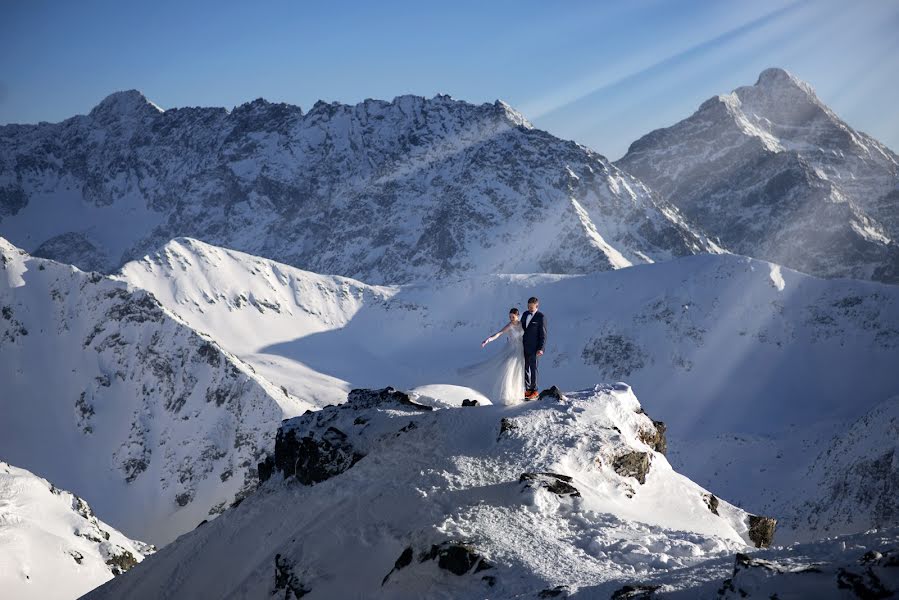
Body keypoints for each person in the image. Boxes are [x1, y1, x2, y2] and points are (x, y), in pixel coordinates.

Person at [457, 308, 525, 405]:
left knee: (518, 373)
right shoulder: (509, 325)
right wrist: (488, 340)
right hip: (512, 349)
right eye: (510, 317)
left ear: (517, 316)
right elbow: (499, 333)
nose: (511, 319)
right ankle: (508, 397)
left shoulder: (522, 324)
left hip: (520, 350)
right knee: (509, 370)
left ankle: (517, 396)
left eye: (513, 317)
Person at [521, 297, 546, 399]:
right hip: (523, 347)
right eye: (528, 306)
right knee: (525, 368)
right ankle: (527, 390)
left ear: (537, 306)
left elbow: (543, 335)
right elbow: (521, 329)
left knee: (533, 368)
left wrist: (541, 348)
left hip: (535, 348)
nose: (530, 308)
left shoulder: (541, 317)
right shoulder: (525, 314)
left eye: (532, 307)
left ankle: (534, 390)